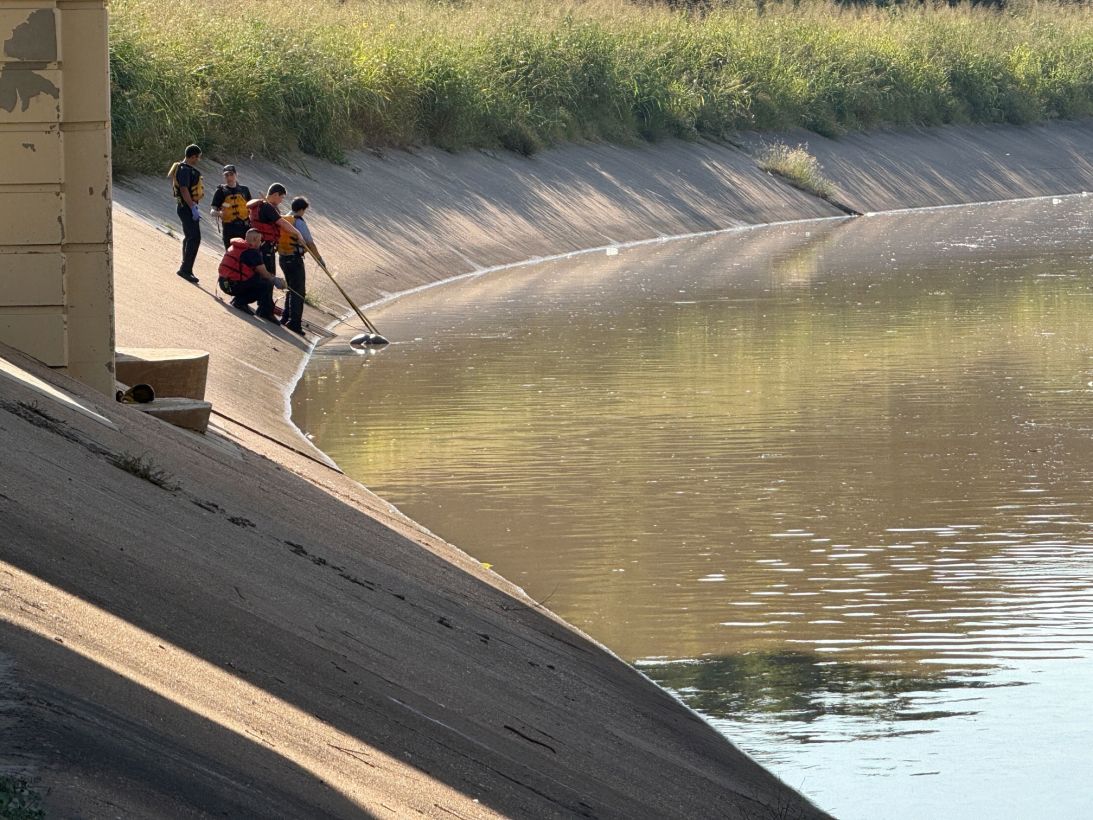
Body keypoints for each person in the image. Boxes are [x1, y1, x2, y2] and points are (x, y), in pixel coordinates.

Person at [276, 196, 324, 336]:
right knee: (299, 292)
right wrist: (319, 259)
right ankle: (294, 323)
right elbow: (309, 242)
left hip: (283, 258)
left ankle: (286, 317)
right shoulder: (299, 222)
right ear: (302, 210)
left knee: (291, 288)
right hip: (294, 260)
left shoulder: (284, 218)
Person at [217, 228, 285, 320]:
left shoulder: (236, 246)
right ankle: (241, 302)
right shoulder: (252, 252)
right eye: (260, 240)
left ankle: (240, 300)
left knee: (256, 277)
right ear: (255, 240)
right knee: (266, 283)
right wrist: (277, 281)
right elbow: (265, 274)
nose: (260, 243)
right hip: (233, 286)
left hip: (223, 283)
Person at [247, 183, 305, 276]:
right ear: (275, 194)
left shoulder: (260, 205)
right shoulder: (267, 207)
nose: (281, 201)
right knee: (268, 276)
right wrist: (298, 233)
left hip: (258, 245)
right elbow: (282, 223)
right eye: (281, 197)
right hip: (265, 247)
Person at [168, 144, 204, 283]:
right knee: (195, 238)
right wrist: (192, 207)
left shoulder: (183, 168)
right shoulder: (184, 169)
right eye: (197, 157)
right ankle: (185, 269)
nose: (198, 160)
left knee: (190, 237)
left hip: (185, 206)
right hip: (186, 207)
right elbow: (183, 189)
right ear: (193, 156)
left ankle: (185, 267)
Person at [209, 165, 251, 249]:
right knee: (231, 254)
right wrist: (218, 213)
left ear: (236, 174)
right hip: (229, 228)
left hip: (244, 227)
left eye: (231, 174)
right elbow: (212, 211)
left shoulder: (244, 190)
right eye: (226, 175)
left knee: (245, 255)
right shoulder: (220, 191)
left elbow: (251, 208)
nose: (229, 177)